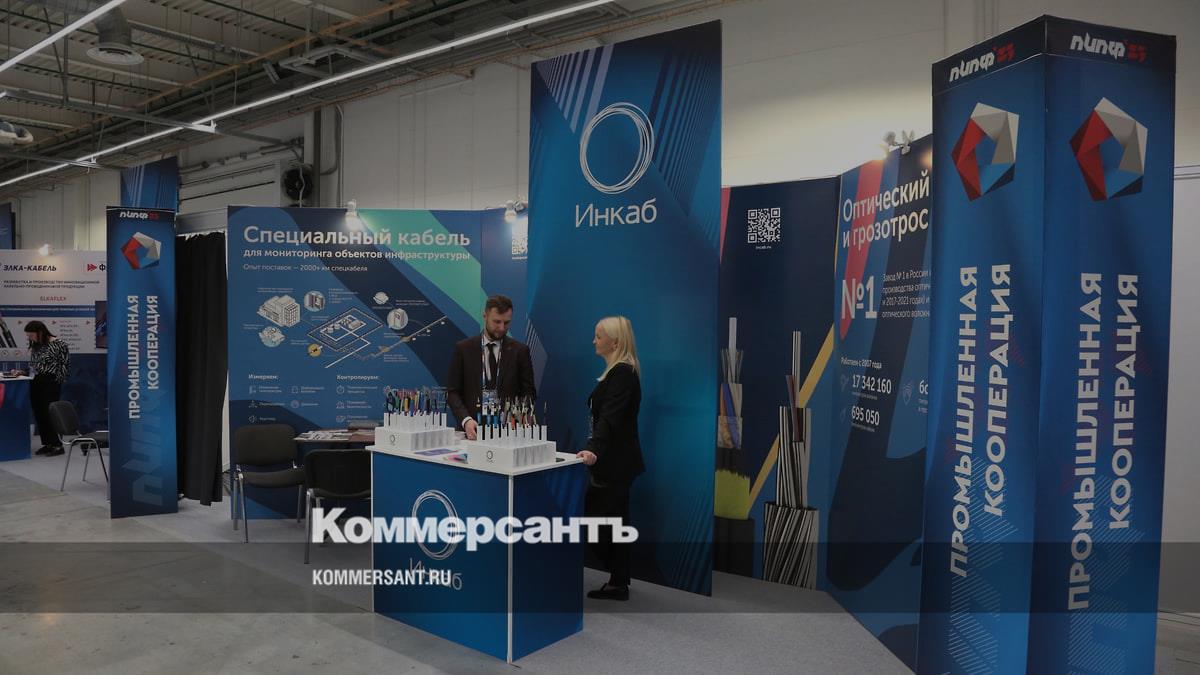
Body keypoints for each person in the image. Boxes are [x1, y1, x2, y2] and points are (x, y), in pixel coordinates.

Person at [576, 316, 645, 601]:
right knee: (616, 523)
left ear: (614, 342)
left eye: (599, 335)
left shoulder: (623, 374)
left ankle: (618, 581)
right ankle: (618, 582)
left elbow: (609, 417)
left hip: (616, 463)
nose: (594, 340)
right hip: (614, 461)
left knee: (602, 523)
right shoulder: (618, 372)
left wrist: (594, 448)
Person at [446, 295, 536, 440]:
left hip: (508, 434)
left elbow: (528, 392)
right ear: (485, 316)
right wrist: (466, 420)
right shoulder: (464, 349)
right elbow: (452, 392)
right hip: (472, 432)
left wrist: (518, 418)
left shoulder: (520, 351)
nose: (502, 328)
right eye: (497, 322)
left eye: (506, 322)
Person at [9, 321, 70, 456]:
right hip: (36, 382)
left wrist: (57, 382)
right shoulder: (37, 345)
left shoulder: (59, 344)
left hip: (51, 383)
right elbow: (34, 366)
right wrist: (23, 372)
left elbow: (64, 365)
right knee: (39, 413)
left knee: (50, 414)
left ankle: (57, 445)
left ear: (40, 332)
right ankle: (48, 443)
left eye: (31, 335)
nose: (30, 338)